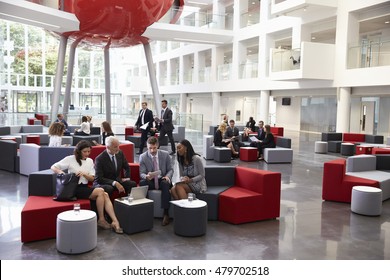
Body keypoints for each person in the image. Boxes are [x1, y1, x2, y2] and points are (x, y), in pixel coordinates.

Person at [51, 140, 123, 234]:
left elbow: (92, 179)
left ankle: (113, 221)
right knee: (101, 191)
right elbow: (53, 166)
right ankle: (103, 220)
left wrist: (84, 174)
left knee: (104, 194)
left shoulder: (89, 161)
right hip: (74, 188)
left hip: (84, 187)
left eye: (89, 151)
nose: (87, 154)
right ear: (79, 151)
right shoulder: (70, 159)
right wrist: (63, 174)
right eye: (85, 151)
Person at [139, 136, 173, 226]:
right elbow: (141, 173)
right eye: (150, 148)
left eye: (154, 148)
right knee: (142, 183)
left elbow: (170, 169)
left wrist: (167, 176)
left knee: (165, 184)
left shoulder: (165, 155)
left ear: (157, 146)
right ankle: (145, 210)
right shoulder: (143, 157)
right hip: (151, 180)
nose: (152, 150)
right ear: (147, 147)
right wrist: (146, 176)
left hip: (162, 179)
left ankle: (166, 213)